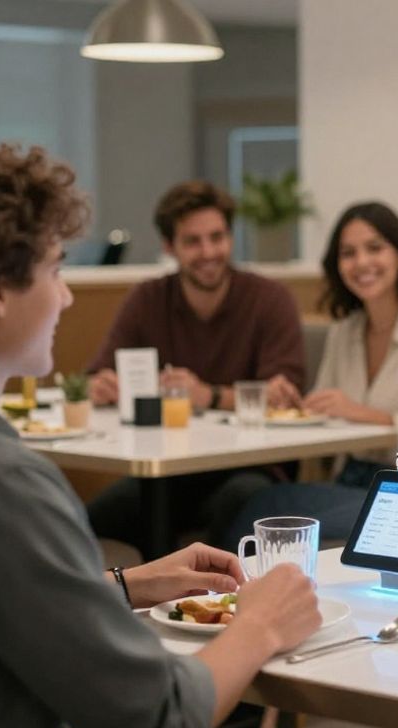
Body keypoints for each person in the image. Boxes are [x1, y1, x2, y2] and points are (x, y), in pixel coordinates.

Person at [0, 140, 321, 728]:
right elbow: (158, 726)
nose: (65, 298)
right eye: (56, 269)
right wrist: (260, 624)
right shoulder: (2, 485)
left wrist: (125, 585)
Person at [223, 202, 398, 551]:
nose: (361, 262)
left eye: (375, 248)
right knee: (256, 502)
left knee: (265, 514)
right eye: (348, 253)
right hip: (348, 480)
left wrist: (357, 412)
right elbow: (323, 416)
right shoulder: (345, 330)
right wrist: (295, 405)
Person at [84, 180, 306, 556]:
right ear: (169, 247)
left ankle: (206, 590)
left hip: (252, 467)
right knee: (85, 522)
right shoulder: (148, 299)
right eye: (193, 241)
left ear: (230, 238)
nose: (208, 252)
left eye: (217, 237)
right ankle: (149, 587)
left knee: (240, 500)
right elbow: (97, 374)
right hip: (170, 470)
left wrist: (209, 396)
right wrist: (101, 386)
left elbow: (284, 396)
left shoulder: (270, 299)